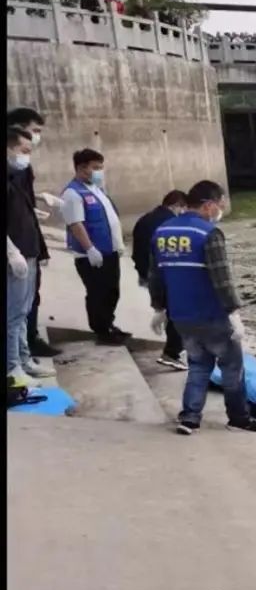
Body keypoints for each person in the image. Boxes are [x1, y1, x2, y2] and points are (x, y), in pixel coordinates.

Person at [149, 180, 256, 435]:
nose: (220, 211)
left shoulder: (162, 232)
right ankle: (239, 419)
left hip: (181, 315)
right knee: (232, 368)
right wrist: (234, 313)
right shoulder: (208, 234)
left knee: (198, 365)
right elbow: (222, 278)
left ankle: (190, 417)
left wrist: (158, 308)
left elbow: (156, 275)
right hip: (212, 314)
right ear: (208, 205)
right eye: (220, 205)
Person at [60, 148, 130, 345]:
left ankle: (109, 323)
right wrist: (89, 248)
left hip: (109, 251)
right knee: (98, 293)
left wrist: (118, 243)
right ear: (82, 168)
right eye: (96, 168)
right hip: (92, 254)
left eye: (101, 167)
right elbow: (76, 224)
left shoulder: (96, 189)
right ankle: (101, 330)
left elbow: (109, 218)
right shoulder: (72, 193)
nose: (100, 172)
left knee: (112, 291)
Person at [7, 108, 61, 357]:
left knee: (26, 304)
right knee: (16, 311)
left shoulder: (21, 167)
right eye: (35, 130)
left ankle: (25, 354)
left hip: (28, 243)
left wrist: (35, 204)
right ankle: (16, 362)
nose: (37, 137)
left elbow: (20, 201)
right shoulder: (14, 166)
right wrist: (12, 250)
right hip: (17, 246)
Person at [7, 128, 51, 387]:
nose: (27, 157)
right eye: (23, 151)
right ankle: (12, 368)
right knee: (13, 315)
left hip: (29, 250)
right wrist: (12, 251)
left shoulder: (17, 176)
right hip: (17, 255)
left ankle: (23, 360)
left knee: (22, 312)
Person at [132, 189, 188, 370]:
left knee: (170, 310)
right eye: (184, 209)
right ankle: (172, 352)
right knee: (180, 312)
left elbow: (137, 250)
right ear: (178, 206)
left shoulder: (145, 219)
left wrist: (142, 274)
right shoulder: (169, 224)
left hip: (148, 271)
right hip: (162, 273)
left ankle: (174, 347)